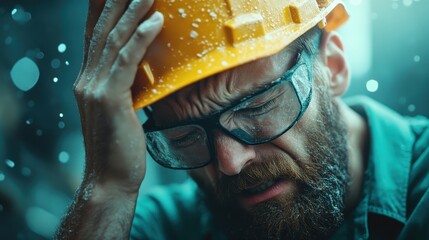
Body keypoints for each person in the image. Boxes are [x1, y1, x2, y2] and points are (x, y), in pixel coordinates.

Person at [55, 0, 429, 239]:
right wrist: (107, 188)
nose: (231, 163)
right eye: (186, 136)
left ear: (332, 66)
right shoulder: (162, 228)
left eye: (256, 108)